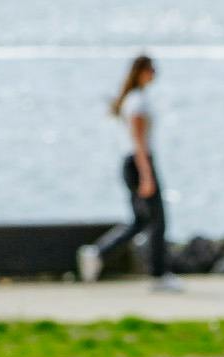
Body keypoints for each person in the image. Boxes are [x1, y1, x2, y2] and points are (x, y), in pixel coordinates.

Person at [79, 54, 173, 289]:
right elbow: (139, 141)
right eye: (151, 69)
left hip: (133, 163)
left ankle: (98, 253)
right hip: (140, 162)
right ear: (141, 71)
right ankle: (158, 275)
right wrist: (147, 175)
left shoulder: (131, 99)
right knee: (158, 220)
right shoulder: (138, 102)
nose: (154, 74)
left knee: (141, 220)